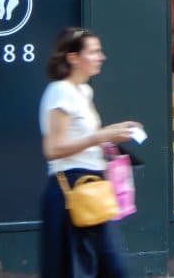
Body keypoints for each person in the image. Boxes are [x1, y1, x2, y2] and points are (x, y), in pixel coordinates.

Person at [40, 27, 141, 278]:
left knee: (111, 267)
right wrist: (101, 136)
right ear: (73, 58)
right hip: (72, 191)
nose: (101, 57)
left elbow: (85, 137)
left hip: (94, 189)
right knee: (81, 269)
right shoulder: (60, 91)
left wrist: (114, 133)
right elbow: (52, 148)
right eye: (94, 52)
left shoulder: (83, 91)